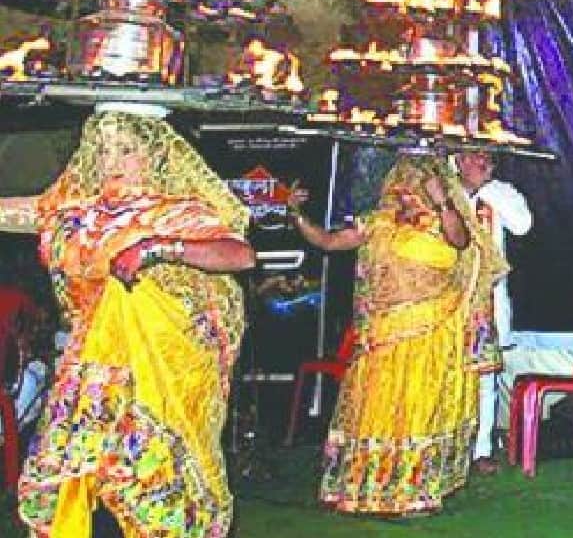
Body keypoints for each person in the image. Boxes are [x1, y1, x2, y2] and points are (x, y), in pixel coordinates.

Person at [0, 106, 257, 538]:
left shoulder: (174, 212)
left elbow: (240, 255)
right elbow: (22, 212)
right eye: (103, 150)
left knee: (150, 479)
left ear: (153, 154)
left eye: (126, 150)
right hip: (93, 365)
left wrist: (156, 248)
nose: (113, 161)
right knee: (84, 474)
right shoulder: (78, 213)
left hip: (158, 368)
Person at [290, 154, 503, 516]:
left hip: (430, 333)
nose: (406, 191)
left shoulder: (443, 220)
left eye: (414, 184)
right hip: (384, 335)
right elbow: (328, 241)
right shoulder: (378, 223)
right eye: (401, 183)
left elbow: (461, 241)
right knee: (378, 410)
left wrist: (442, 202)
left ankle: (412, 489)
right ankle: (369, 487)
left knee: (418, 410)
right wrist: (296, 215)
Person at [452, 152, 531, 473]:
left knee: (486, 377)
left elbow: (523, 226)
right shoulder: (440, 190)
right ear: (458, 160)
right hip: (447, 302)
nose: (483, 164)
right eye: (476, 157)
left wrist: (484, 189)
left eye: (488, 159)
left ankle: (481, 450)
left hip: (487, 302)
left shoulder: (500, 192)